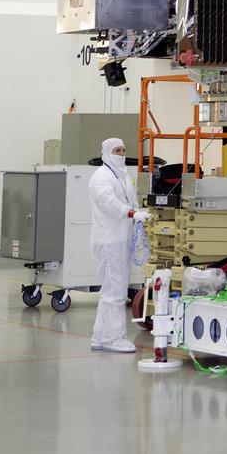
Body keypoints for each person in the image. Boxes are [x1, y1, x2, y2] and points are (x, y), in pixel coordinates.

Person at [89, 137, 149, 353]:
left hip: (120, 238)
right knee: (115, 290)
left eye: (123, 150)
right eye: (117, 150)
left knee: (111, 289)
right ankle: (114, 338)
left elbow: (127, 200)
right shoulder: (102, 177)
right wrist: (131, 213)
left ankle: (100, 336)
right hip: (109, 240)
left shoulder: (123, 175)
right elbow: (109, 203)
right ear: (106, 152)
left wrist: (136, 215)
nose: (121, 154)